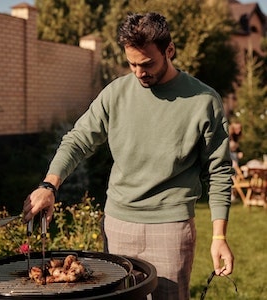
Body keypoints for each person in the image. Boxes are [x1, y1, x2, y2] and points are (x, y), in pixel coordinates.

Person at [23, 12, 234, 299]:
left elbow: (219, 170)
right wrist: (49, 185)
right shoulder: (116, 93)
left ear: (169, 50)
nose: (138, 72)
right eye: (132, 63)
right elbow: (78, 140)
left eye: (147, 64)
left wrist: (219, 236)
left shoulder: (204, 100)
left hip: (171, 227)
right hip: (118, 224)